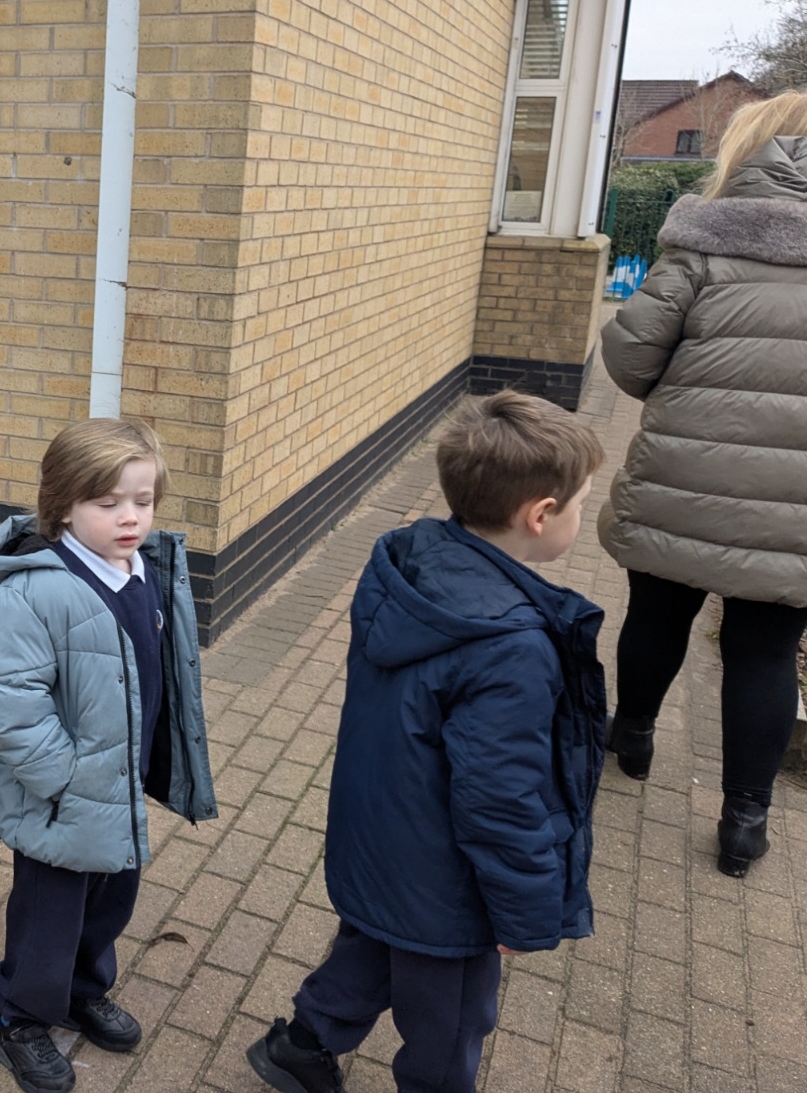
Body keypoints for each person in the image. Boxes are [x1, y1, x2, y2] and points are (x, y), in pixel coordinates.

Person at [246, 391, 605, 1093]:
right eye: (582, 503)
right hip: (450, 878)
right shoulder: (512, 647)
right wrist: (521, 909)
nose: (582, 515)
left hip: (385, 837)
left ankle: (302, 1045)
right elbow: (501, 795)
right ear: (539, 514)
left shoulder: (410, 566)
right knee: (452, 1021)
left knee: (375, 947)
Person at [599, 91, 807, 879]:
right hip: (800, 504)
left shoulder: (704, 240)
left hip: (685, 475)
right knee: (766, 651)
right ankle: (744, 823)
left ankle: (632, 738)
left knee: (658, 613)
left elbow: (630, 360)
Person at [0, 419, 216, 1093]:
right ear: (63, 507)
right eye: (107, 504)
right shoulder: (34, 590)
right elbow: (9, 700)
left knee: (110, 899)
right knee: (49, 915)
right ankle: (22, 1015)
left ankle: (83, 989)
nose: (129, 517)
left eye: (142, 500)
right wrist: (63, 777)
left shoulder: (143, 571)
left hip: (120, 784)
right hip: (62, 795)